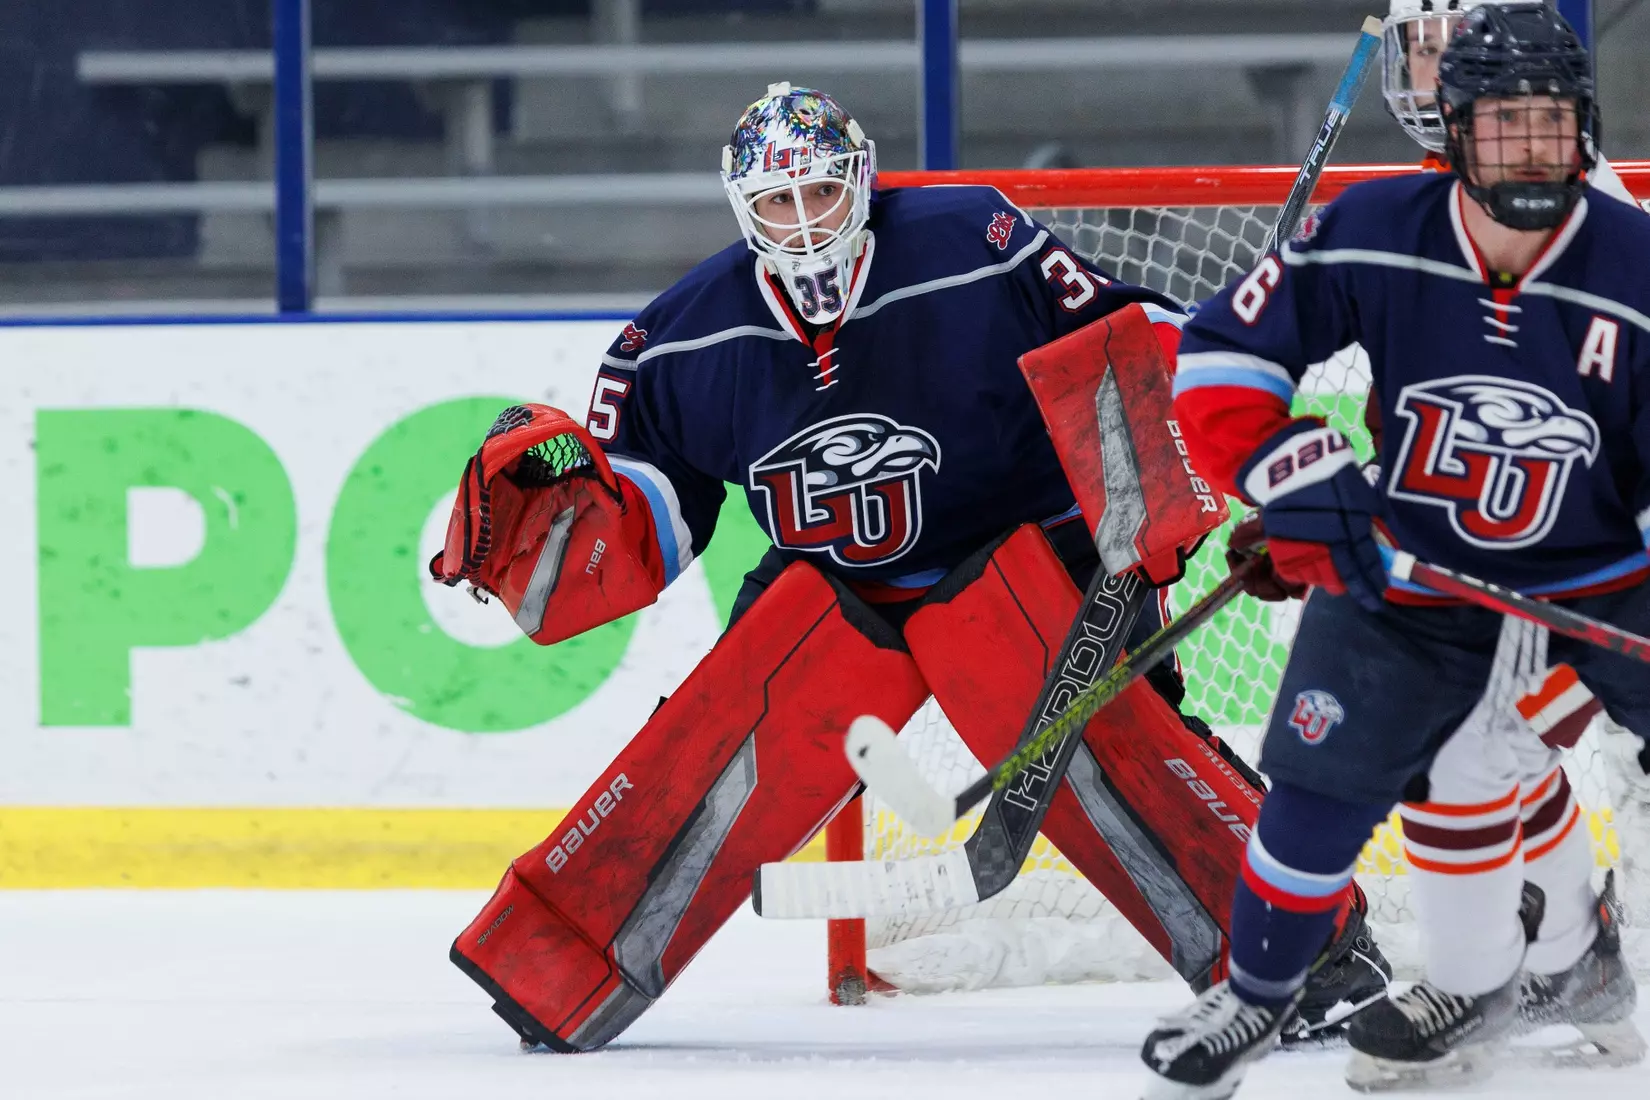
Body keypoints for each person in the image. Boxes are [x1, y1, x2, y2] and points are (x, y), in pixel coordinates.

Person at [426, 83, 1388, 1054]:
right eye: (776, 204)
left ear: (862, 179)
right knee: (717, 746)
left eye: (822, 196)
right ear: (741, 208)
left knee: (1113, 757)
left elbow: (1119, 339)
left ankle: (1309, 956)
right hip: (837, 587)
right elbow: (653, 522)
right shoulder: (678, 341)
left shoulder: (973, 239)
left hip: (1025, 558)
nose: (804, 226)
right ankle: (563, 954)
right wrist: (573, 527)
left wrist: (1213, 425)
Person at [1146, 6, 1649, 1096]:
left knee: (1478, 762)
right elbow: (1224, 351)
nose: (1529, 149)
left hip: (1591, 582)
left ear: (1586, 129)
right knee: (1328, 777)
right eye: (1503, 124)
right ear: (1457, 131)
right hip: (1407, 569)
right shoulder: (1381, 224)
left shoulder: (1632, 263)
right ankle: (1265, 992)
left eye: (1550, 124)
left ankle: (1557, 965)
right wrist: (1293, 478)